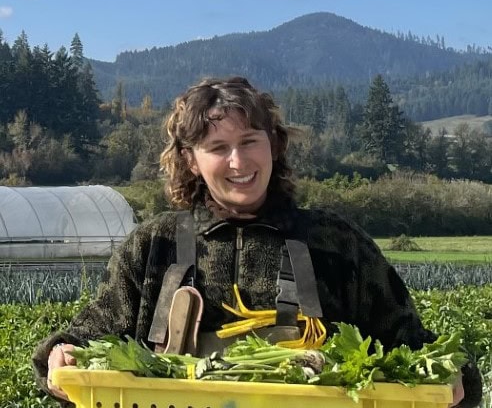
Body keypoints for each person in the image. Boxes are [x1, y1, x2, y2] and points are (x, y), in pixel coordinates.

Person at [33, 76, 480, 407]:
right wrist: (59, 355)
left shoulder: (334, 244)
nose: (238, 161)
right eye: (217, 147)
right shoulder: (155, 247)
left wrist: (455, 375)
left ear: (274, 146)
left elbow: (411, 343)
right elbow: (87, 340)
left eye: (250, 141)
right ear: (190, 160)